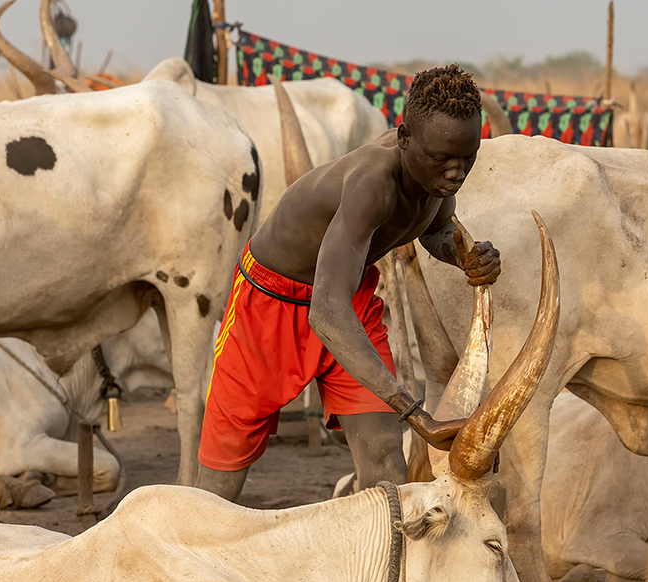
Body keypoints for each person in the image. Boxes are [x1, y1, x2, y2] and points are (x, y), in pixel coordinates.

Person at [196, 64, 502, 501]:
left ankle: (386, 548)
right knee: (218, 485)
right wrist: (417, 415)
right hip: (269, 303)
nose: (456, 173)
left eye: (467, 158)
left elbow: (436, 228)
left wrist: (464, 256)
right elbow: (326, 312)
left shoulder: (435, 177)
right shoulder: (372, 182)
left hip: (346, 296)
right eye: (443, 159)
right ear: (404, 138)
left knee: (385, 461)